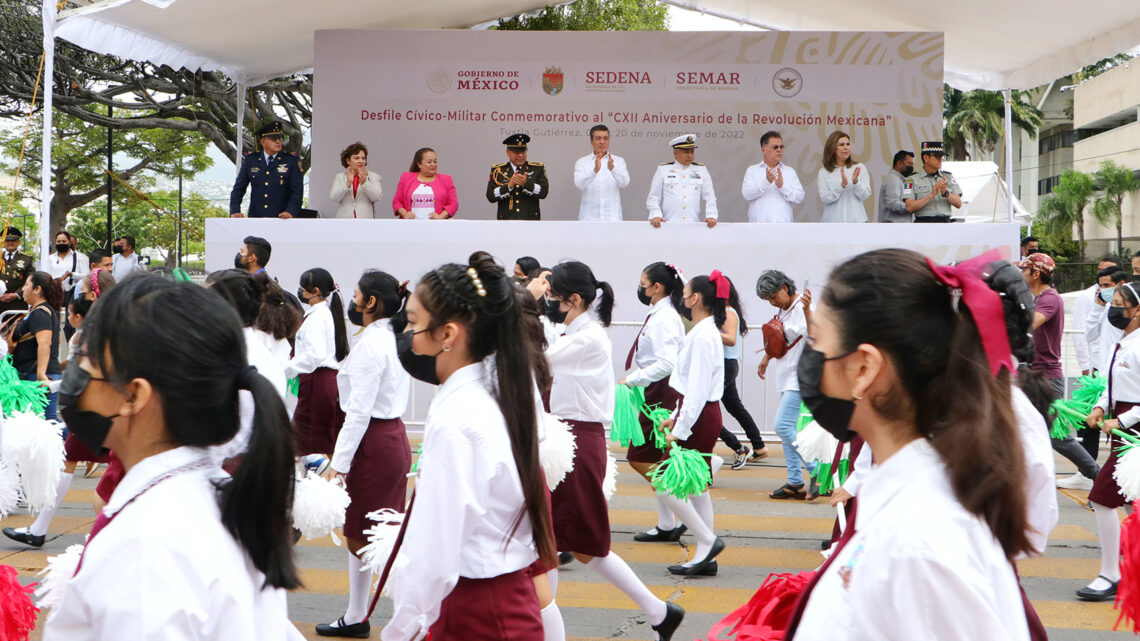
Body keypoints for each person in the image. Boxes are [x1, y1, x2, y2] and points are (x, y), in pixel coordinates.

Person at [786, 248, 1032, 640]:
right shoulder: (904, 503)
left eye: (816, 340)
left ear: (864, 368)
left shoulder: (920, 544)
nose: (809, 358)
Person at [41, 275, 302, 638]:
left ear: (134, 396)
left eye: (89, 359)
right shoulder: (217, 497)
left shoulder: (146, 547)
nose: (76, 373)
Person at [383, 252, 556, 641]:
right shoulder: (498, 386)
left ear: (448, 334)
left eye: (413, 323)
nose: (407, 335)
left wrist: (401, 630)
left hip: (476, 609)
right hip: (496, 599)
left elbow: (434, 556)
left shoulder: (460, 418)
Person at [540, 260, 685, 638]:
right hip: (564, 439)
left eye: (553, 297)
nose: (549, 303)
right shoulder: (574, 331)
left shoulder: (587, 337)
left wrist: (523, 303)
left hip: (575, 442)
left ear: (573, 299)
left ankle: (658, 610)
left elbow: (535, 361)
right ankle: (659, 611)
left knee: (574, 543)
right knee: (560, 541)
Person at [316, 271, 412, 638]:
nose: (351, 302)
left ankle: (410, 618)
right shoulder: (388, 336)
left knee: (371, 537)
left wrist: (338, 466)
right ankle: (358, 615)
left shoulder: (375, 343)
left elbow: (358, 411)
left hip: (375, 443)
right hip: (386, 440)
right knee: (369, 534)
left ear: (371, 302)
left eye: (356, 295)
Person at [1, 295, 108, 549]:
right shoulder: (98, 335)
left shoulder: (93, 338)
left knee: (107, 488)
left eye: (70, 312)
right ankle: (41, 528)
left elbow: (91, 378)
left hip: (106, 417)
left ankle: (100, 536)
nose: (67, 317)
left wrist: (53, 384)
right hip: (102, 416)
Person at [654, 272, 731, 578]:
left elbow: (696, 390)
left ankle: (707, 541)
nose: (682, 298)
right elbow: (693, 390)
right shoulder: (705, 331)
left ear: (696, 298)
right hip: (700, 413)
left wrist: (680, 428)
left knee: (664, 481)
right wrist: (677, 415)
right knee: (698, 487)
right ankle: (705, 555)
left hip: (699, 416)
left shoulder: (702, 335)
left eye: (685, 293)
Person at [1018, 252, 1100, 488]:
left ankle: (1100, 478)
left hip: (1045, 376)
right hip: (1029, 373)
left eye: (1025, 270)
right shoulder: (1033, 297)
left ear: (1035, 273)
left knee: (1058, 436)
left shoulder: (1050, 299)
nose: (1022, 274)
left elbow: (1031, 323)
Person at [1082, 281, 1140, 603]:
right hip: (1122, 426)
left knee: (1103, 498)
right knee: (1122, 501)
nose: (1113, 308)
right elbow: (1111, 385)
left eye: (1120, 303)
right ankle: (1114, 573)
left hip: (1133, 432)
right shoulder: (1123, 342)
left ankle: (1110, 574)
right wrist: (1100, 407)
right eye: (1112, 302)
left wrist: (1122, 420)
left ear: (1137, 310)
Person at [621, 262, 687, 542]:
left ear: (657, 287)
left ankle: (684, 513)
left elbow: (666, 363)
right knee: (655, 458)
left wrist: (634, 379)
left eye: (643, 283)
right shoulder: (659, 314)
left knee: (639, 457)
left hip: (662, 391)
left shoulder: (665, 318)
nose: (641, 288)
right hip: (655, 390)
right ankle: (667, 523)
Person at [755, 270, 816, 499]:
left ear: (784, 287)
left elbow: (816, 333)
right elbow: (781, 339)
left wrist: (809, 310)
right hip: (786, 374)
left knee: (782, 426)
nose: (772, 302)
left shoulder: (803, 306)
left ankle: (817, 472)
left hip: (800, 377)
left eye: (773, 296)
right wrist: (766, 358)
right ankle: (794, 481)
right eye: (767, 299)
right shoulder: (783, 308)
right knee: (788, 430)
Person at [286, 268, 350, 459]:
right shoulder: (319, 315)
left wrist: (287, 368)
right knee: (319, 441)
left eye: (302, 288)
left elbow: (314, 355)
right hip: (319, 382)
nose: (299, 291)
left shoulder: (318, 317)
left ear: (314, 291)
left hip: (317, 382)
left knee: (307, 443)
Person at [717, 276, 768, 468]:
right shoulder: (727, 312)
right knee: (734, 407)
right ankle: (759, 445)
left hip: (725, 365)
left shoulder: (728, 313)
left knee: (705, 410)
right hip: (726, 365)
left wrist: (705, 329)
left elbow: (729, 339)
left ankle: (738, 447)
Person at [4, 272, 64, 420]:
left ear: (37, 289)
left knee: (44, 422)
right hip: (33, 374)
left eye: (26, 285)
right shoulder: (41, 311)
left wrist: (41, 375)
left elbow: (45, 342)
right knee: (44, 421)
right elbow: (58, 340)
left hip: (36, 377)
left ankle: (78, 440)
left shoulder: (41, 313)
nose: (23, 289)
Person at [229, 121, 304, 219]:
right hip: (256, 217)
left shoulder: (291, 160)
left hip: (282, 219)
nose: (278, 142)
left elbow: (297, 192)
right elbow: (239, 188)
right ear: (263, 142)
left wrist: (290, 212)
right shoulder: (251, 160)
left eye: (279, 138)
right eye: (273, 139)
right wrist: (235, 211)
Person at [647, 135, 717, 228]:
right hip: (668, 224)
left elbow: (710, 196)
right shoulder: (663, 169)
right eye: (685, 152)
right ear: (675, 153)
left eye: (692, 152)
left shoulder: (701, 169)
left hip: (693, 224)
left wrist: (711, 215)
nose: (690, 156)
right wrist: (655, 214)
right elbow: (653, 197)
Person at [741, 131, 804, 223]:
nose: (779, 150)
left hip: (783, 228)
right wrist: (765, 182)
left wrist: (782, 187)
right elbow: (746, 194)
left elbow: (799, 197)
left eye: (781, 147)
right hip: (758, 228)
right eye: (775, 147)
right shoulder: (752, 170)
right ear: (763, 150)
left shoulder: (789, 172)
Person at [573, 125, 630, 221]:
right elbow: (579, 184)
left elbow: (625, 183)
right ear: (591, 141)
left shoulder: (619, 161)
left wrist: (613, 169)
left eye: (605, 138)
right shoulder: (582, 162)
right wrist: (594, 171)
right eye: (598, 138)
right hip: (589, 219)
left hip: (612, 218)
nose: (602, 142)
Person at [486, 133, 548, 220]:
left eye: (523, 151)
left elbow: (544, 192)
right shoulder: (498, 170)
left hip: (530, 222)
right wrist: (508, 186)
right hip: (506, 222)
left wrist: (526, 184)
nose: (520, 155)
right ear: (508, 152)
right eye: (516, 152)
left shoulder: (537, 168)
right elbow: (490, 196)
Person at [817, 130, 872, 223]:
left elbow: (865, 195)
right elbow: (825, 198)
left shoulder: (859, 167)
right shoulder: (824, 172)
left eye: (848, 144)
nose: (845, 147)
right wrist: (841, 186)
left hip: (857, 221)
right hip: (832, 222)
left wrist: (856, 182)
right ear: (833, 148)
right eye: (841, 145)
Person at [903, 141, 963, 223]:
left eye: (942, 157)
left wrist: (946, 193)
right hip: (924, 223)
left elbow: (959, 204)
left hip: (945, 223)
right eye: (937, 157)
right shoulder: (912, 179)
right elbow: (909, 207)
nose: (940, 160)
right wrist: (931, 195)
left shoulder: (948, 177)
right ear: (926, 158)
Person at [394, 147, 458, 220]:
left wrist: (441, 216)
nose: (433, 164)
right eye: (429, 162)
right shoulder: (406, 178)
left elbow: (453, 204)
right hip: (410, 226)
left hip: (437, 226)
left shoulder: (446, 179)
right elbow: (396, 202)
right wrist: (405, 214)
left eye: (435, 161)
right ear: (419, 164)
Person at [330, 141, 383, 219]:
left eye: (363, 158)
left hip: (365, 221)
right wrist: (348, 183)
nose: (361, 161)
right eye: (356, 158)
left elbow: (377, 196)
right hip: (344, 220)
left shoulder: (374, 176)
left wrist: (365, 183)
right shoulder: (340, 177)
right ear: (348, 161)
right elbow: (334, 197)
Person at [45, 230, 89, 307]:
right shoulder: (49, 259)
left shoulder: (81, 257)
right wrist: (58, 280)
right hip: (55, 295)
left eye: (64, 241)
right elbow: (45, 277)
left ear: (69, 242)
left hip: (74, 295)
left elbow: (87, 276)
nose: (61, 243)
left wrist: (72, 275)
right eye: (59, 241)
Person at [0, 227, 34, 314]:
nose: (10, 243)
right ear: (3, 242)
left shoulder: (26, 259)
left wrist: (17, 294)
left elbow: (31, 280)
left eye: (13, 240)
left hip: (18, 304)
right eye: (7, 240)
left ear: (18, 242)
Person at [877, 150, 915, 223]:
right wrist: (910, 207)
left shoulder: (900, 180)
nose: (911, 167)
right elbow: (893, 203)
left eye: (912, 164)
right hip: (894, 227)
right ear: (899, 163)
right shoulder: (893, 180)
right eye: (909, 164)